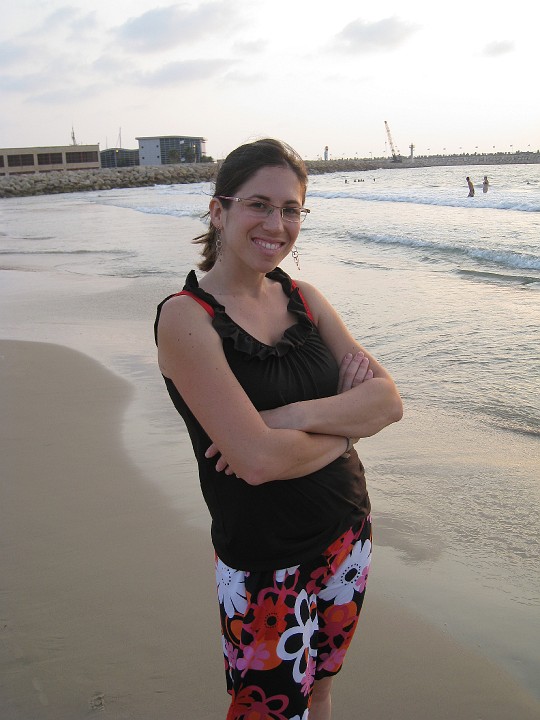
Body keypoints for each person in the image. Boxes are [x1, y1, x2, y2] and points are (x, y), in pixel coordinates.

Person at [154, 138, 403, 720]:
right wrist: (346, 428)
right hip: (264, 559)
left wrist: (291, 417)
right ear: (219, 211)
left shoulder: (305, 300)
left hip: (348, 532)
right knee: (269, 711)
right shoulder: (187, 317)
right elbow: (257, 462)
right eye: (259, 205)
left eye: (291, 209)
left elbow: (387, 401)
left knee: (320, 691)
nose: (277, 224)